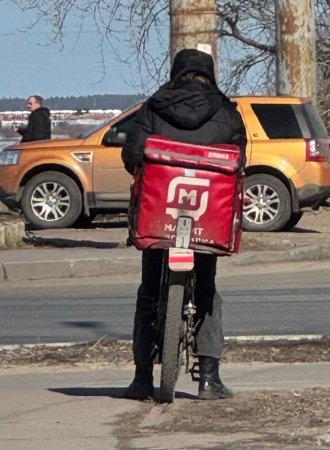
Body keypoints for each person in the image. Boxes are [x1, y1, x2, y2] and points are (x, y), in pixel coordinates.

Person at [120, 48, 247, 401]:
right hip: (207, 218)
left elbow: (132, 155)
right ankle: (209, 378)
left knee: (148, 291)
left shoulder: (154, 105)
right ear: (210, 74)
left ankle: (142, 378)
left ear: (176, 72)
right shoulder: (226, 111)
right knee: (206, 290)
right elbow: (239, 165)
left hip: (159, 216)